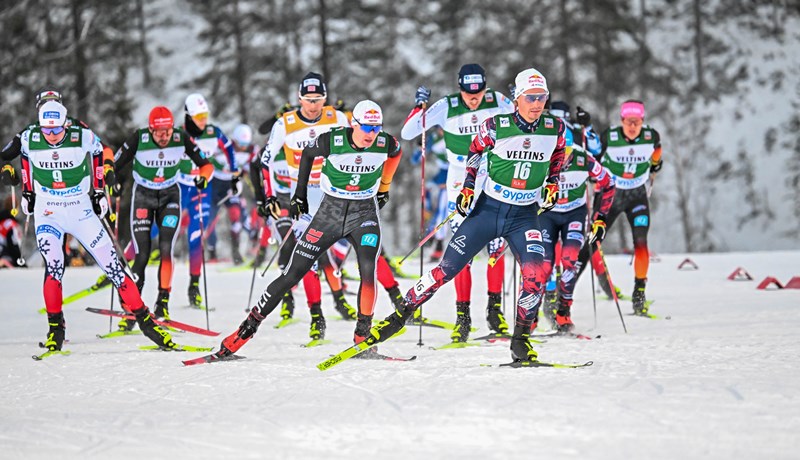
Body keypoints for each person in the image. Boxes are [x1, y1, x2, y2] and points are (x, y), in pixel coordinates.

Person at [362, 68, 566, 364]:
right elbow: (474, 150)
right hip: (488, 210)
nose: (537, 104)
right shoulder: (495, 124)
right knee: (447, 268)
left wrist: (553, 181)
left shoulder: (554, 127)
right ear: (518, 99)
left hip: (524, 216)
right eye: (531, 97)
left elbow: (559, 152)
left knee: (535, 275)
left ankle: (520, 340)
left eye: (542, 97)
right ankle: (399, 316)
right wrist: (469, 188)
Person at [216, 100, 402, 356]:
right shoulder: (333, 140)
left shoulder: (384, 142)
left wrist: (384, 188)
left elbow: (396, 153)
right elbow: (307, 155)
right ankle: (243, 332)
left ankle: (362, 336)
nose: (372, 134)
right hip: (329, 213)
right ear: (354, 124)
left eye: (376, 128)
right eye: (367, 128)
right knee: (293, 273)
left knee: (368, 270)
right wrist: (299, 195)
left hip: (364, 213)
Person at [4, 100, 175, 351]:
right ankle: (55, 328)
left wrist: (99, 189)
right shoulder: (30, 136)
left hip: (79, 209)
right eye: (46, 130)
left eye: (56, 130)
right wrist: (26, 190)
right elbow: (25, 160)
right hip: (48, 211)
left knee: (115, 268)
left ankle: (146, 321)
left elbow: (99, 153)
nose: (51, 136)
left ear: (65, 124)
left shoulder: (80, 135)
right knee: (54, 266)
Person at [401, 63, 515, 342]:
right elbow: (408, 132)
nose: (473, 98)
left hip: (492, 175)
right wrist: (419, 106)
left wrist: (519, 99)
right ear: (460, 88)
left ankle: (494, 310)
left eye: (478, 93)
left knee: (496, 245)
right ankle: (462, 316)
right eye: (467, 93)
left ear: (485, 87)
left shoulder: (498, 101)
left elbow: (526, 122)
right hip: (459, 178)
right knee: (461, 247)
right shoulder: (447, 105)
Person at [256, 73, 357, 337]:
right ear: (299, 99)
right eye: (309, 100)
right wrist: (268, 197)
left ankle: (344, 296)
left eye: (319, 100)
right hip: (302, 194)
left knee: (343, 246)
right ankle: (317, 317)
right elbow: (263, 161)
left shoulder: (337, 117)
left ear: (325, 98)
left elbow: (356, 148)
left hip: (333, 190)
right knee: (309, 254)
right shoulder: (285, 124)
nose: (313, 106)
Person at [113, 106, 214, 324]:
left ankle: (162, 304)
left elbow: (206, 165)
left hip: (169, 197)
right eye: (159, 132)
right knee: (143, 253)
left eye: (167, 131)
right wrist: (114, 184)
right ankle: (132, 307)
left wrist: (203, 178)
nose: (164, 136)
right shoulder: (139, 138)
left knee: (167, 247)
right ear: (150, 129)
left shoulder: (180, 138)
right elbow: (114, 165)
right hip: (143, 196)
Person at [574, 100, 662, 315]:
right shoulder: (610, 137)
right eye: (628, 122)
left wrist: (654, 166)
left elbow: (657, 158)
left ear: (643, 121)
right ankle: (564, 295)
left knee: (641, 243)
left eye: (637, 122)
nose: (632, 127)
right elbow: (593, 154)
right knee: (591, 243)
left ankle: (639, 295)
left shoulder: (651, 137)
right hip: (610, 195)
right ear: (621, 121)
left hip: (636, 196)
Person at [536, 122, 615, 332]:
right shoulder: (539, 158)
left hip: (574, 214)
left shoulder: (583, 158)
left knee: (570, 259)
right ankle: (531, 316)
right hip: (547, 214)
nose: (561, 158)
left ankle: (563, 313)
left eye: (566, 152)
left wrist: (600, 218)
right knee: (542, 266)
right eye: (556, 152)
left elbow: (609, 183)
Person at [178, 93, 238, 307]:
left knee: (196, 234)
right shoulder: (179, 134)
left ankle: (194, 285)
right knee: (160, 231)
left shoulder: (214, 132)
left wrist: (235, 175)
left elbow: (229, 149)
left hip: (202, 188)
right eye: (198, 116)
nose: (203, 120)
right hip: (179, 186)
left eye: (205, 115)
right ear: (188, 116)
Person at [0, 196, 25, 268]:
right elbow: (13, 246)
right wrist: (21, 264)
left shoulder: (2, 221)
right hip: (6, 257)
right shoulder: (11, 224)